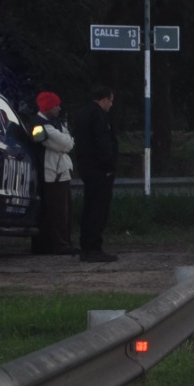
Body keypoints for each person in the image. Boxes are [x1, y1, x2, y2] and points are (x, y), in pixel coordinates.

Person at [71, 85, 119, 263]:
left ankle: (86, 247)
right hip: (99, 170)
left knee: (89, 207)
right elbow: (102, 142)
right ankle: (94, 247)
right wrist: (108, 166)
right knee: (98, 209)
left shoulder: (83, 114)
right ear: (105, 99)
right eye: (111, 100)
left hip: (87, 167)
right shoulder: (98, 116)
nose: (111, 105)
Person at [29, 91, 77, 255]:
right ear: (48, 107)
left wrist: (64, 139)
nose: (59, 108)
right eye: (56, 105)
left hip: (60, 172)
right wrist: (65, 139)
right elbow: (67, 143)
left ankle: (62, 243)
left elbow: (68, 142)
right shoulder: (39, 126)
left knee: (64, 211)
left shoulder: (53, 124)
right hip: (51, 175)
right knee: (56, 212)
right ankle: (58, 245)